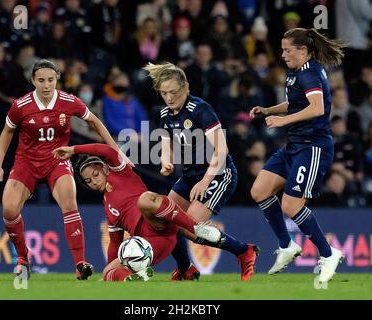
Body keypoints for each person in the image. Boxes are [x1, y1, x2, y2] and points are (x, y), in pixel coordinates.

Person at [0, 59, 127, 280]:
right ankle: (23, 257)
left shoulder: (68, 101)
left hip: (57, 159)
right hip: (27, 162)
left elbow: (94, 121)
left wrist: (116, 151)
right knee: (9, 209)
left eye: (50, 80)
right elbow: (7, 132)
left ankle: (80, 264)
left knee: (69, 201)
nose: (46, 85)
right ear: (33, 80)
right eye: (41, 80)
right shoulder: (21, 105)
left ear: (57, 80)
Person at [143, 62, 260, 281]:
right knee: (166, 218)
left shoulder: (200, 110)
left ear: (186, 87)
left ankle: (244, 251)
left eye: (173, 93)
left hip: (218, 173)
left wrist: (205, 181)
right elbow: (166, 143)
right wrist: (165, 162)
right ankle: (186, 269)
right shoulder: (166, 114)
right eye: (164, 93)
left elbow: (222, 150)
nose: (169, 98)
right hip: (190, 175)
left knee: (190, 229)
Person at [249, 28, 346, 283]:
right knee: (259, 190)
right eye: (282, 50)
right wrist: (269, 109)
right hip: (294, 145)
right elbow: (298, 103)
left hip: (313, 147)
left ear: (303, 50)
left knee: (291, 205)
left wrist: (282, 120)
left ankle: (329, 253)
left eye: (287, 50)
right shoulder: (297, 72)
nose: (282, 55)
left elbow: (317, 108)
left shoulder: (311, 73)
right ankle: (287, 245)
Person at [52, 143, 223, 281]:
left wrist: (73, 150)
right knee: (107, 272)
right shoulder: (108, 208)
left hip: (158, 224)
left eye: (95, 174)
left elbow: (105, 149)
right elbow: (114, 243)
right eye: (88, 181)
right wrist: (112, 267)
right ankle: (134, 277)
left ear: (104, 167)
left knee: (145, 199)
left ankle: (196, 228)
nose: (94, 182)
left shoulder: (120, 171)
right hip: (150, 247)